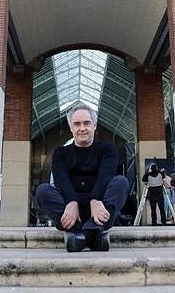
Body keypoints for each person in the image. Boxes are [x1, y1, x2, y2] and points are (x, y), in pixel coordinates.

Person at [36, 102, 129, 252]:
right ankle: (95, 236)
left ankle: (81, 236)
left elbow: (105, 177)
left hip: (99, 210)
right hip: (72, 213)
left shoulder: (108, 150)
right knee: (43, 191)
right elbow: (61, 182)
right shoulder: (60, 153)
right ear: (71, 128)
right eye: (77, 124)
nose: (82, 128)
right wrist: (72, 203)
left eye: (86, 123)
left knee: (121, 183)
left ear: (95, 125)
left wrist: (95, 200)